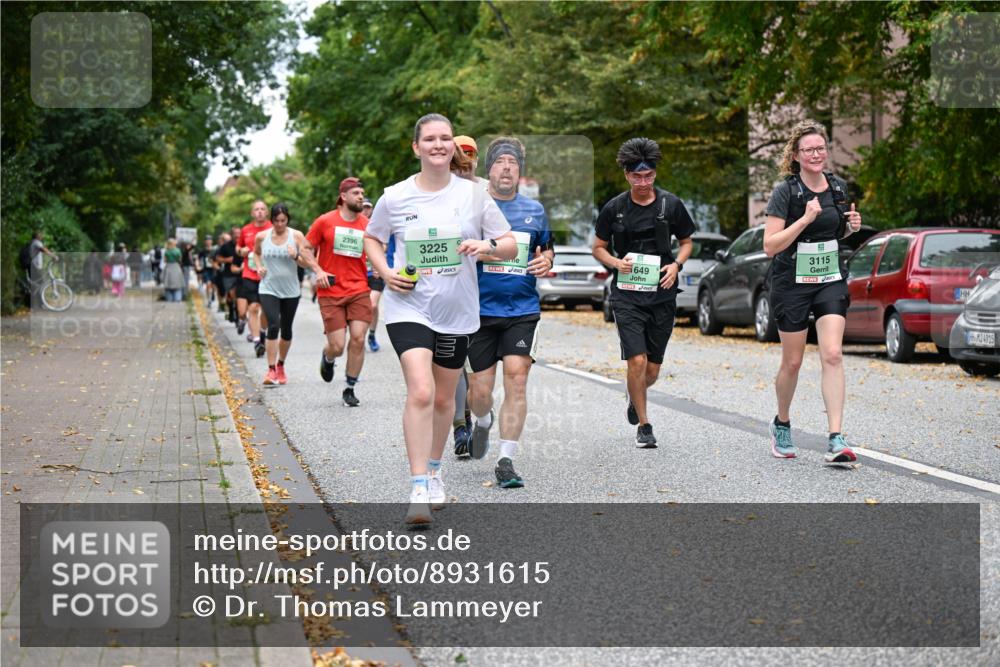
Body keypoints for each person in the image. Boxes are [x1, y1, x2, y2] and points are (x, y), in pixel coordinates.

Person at [364, 112, 517, 525]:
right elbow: (373, 237)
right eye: (429, 139)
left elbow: (509, 244)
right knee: (421, 391)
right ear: (416, 147)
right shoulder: (395, 196)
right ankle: (417, 487)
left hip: (456, 311)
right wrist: (385, 272)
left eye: (445, 138)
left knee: (446, 399)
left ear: (453, 146)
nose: (438, 145)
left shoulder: (474, 195)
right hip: (408, 305)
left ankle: (434, 471)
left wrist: (485, 246)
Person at [762, 120, 862, 464]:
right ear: (796, 155)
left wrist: (849, 228)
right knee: (793, 361)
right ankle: (782, 423)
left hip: (829, 277)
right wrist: (803, 220)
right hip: (791, 282)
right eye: (809, 150)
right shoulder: (786, 192)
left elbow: (834, 233)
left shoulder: (837, 187)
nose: (816, 154)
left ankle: (836, 437)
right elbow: (770, 245)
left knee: (832, 353)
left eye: (820, 148)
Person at [592, 137, 695, 449]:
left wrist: (676, 265)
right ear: (626, 175)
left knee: (651, 370)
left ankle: (634, 394)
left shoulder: (671, 205)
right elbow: (598, 247)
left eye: (648, 176)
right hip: (627, 295)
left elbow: (687, 242)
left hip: (662, 294)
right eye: (636, 177)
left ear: (655, 173)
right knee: (636, 361)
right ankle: (645, 425)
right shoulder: (614, 208)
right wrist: (615, 263)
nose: (643, 182)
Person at [466, 136, 554, 488]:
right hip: (477, 312)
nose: (506, 168)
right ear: (489, 169)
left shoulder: (535, 210)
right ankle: (482, 420)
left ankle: (506, 460)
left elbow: (546, 250)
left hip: (522, 309)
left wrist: (546, 261)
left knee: (517, 379)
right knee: (479, 392)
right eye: (500, 162)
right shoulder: (472, 207)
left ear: (520, 171)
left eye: (513, 163)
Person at [304, 178, 373, 407]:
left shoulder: (366, 224)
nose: (361, 197)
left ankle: (349, 387)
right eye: (356, 193)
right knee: (337, 345)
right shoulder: (325, 221)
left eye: (362, 193)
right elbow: (305, 248)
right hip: (330, 290)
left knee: (358, 338)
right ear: (343, 196)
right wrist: (318, 270)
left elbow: (377, 249)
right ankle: (328, 357)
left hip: (359, 289)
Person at [254, 203, 316, 386]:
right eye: (276, 221)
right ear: (271, 220)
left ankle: (281, 365)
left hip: (291, 290)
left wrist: (296, 256)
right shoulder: (262, 236)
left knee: (286, 329)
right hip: (268, 287)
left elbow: (307, 262)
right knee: (274, 325)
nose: (280, 224)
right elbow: (256, 253)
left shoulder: (296, 236)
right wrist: (259, 267)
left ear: (287, 219)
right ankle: (271, 370)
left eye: (283, 220)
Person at [237, 201, 272, 357]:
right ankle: (257, 341)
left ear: (267, 213)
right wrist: (241, 251)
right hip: (250, 274)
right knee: (253, 307)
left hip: (269, 275)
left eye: (262, 209)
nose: (259, 212)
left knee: (266, 310)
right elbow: (238, 248)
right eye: (256, 209)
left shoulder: (273, 228)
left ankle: (262, 333)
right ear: (252, 213)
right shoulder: (246, 230)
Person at [363, 198, 384, 352]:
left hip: (375, 273)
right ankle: (359, 336)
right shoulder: (354, 225)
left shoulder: (377, 225)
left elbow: (384, 245)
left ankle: (371, 335)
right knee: (361, 307)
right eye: (363, 207)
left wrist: (379, 263)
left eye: (368, 207)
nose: (365, 210)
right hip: (359, 273)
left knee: (373, 304)